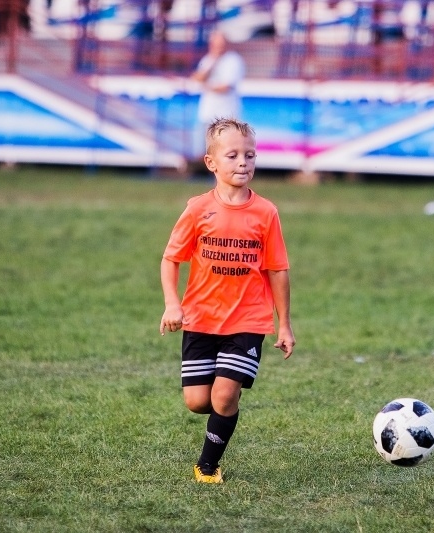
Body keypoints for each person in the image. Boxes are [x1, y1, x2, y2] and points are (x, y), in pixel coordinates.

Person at [160, 117, 295, 483]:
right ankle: (226, 407)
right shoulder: (197, 209)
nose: (242, 163)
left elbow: (278, 270)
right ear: (211, 163)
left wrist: (283, 323)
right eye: (233, 155)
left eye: (249, 155)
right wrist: (173, 304)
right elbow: (171, 259)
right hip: (201, 318)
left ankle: (207, 466)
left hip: (248, 321)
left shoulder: (266, 212)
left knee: (222, 396)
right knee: (197, 402)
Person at [189, 30, 245, 161]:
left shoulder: (233, 60)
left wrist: (206, 86)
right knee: (203, 151)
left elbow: (225, 87)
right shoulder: (208, 59)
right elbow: (197, 77)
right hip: (207, 113)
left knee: (224, 152)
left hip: (226, 114)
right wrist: (213, 61)